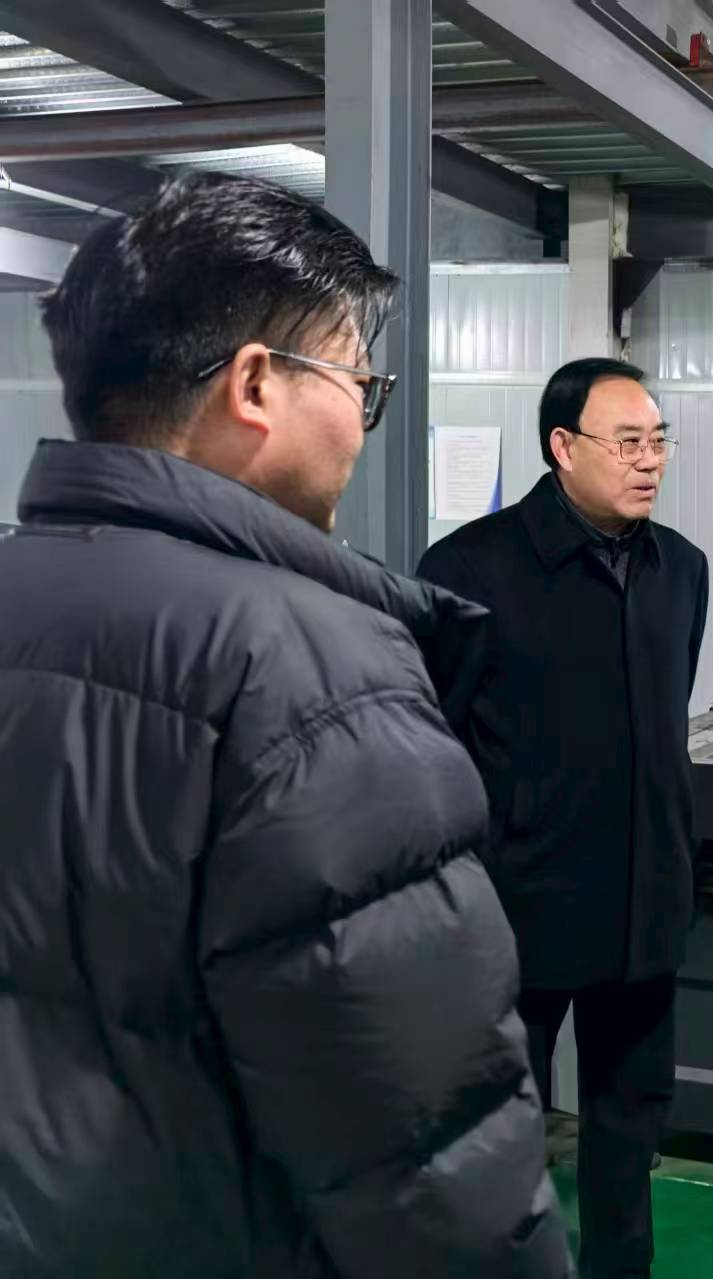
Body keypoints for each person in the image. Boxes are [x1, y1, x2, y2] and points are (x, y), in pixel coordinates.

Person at [0, 174, 566, 1278]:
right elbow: (424, 1144)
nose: (361, 420)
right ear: (256, 384)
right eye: (360, 382)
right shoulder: (311, 669)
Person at [417, 358, 708, 1279]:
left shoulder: (680, 569)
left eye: (658, 441)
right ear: (563, 447)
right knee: (501, 1136)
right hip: (519, 910)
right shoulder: (468, 570)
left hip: (643, 906)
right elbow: (434, 741)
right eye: (628, 442)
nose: (648, 460)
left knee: (630, 1125)